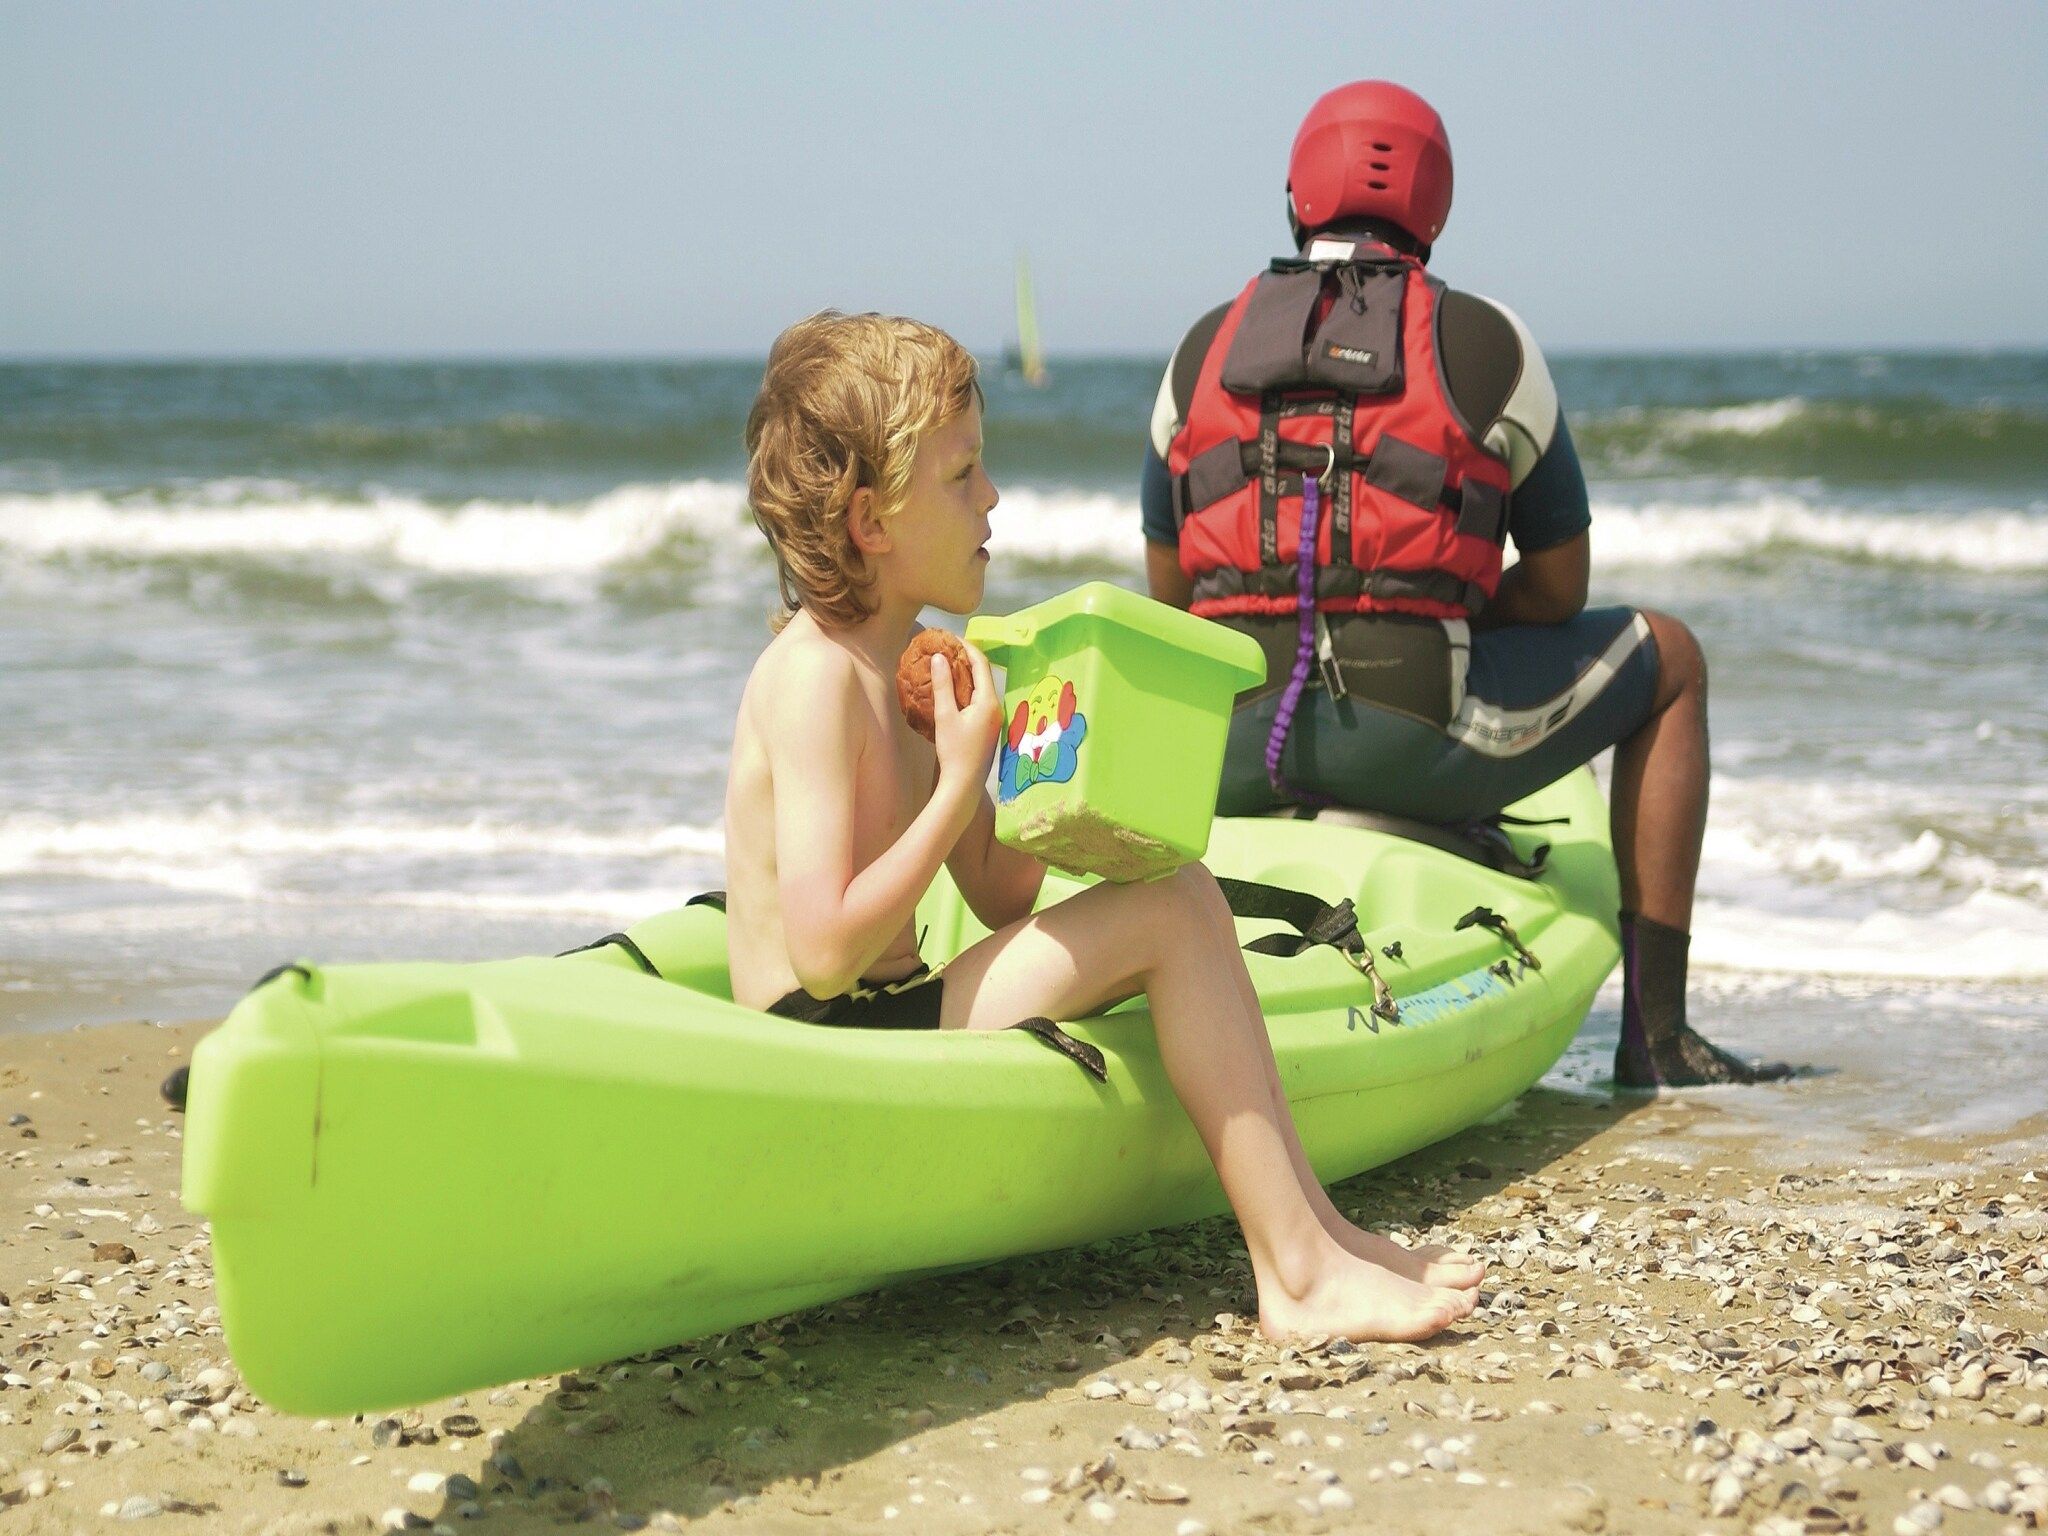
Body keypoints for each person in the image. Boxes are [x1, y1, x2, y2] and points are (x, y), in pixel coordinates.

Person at [724, 310, 1487, 1342]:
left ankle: (1319, 1231)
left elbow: (1000, 890)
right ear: (869, 522)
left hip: (885, 1006)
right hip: (818, 1038)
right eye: (960, 476)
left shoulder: (912, 666)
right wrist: (954, 781)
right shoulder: (814, 678)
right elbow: (819, 955)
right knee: (1170, 914)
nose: (990, 497)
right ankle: (1296, 1280)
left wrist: (1029, 764)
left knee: (1182, 893)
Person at [1139, 82, 1789, 1090]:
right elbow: (1561, 585)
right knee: (1671, 659)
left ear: (1295, 195)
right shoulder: (1487, 340)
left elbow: (1172, 591)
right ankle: (1657, 1041)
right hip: (1410, 740)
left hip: (1227, 751)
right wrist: (1431, 600)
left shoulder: (1194, 351)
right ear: (1432, 206)